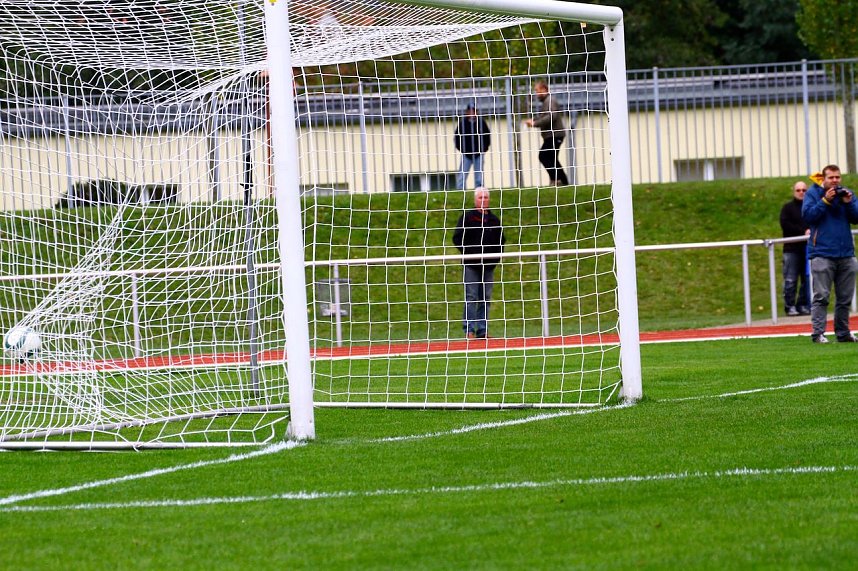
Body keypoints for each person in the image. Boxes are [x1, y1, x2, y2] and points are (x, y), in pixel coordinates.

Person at [801, 164, 858, 343]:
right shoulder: (813, 193)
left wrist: (848, 204)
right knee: (821, 296)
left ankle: (843, 333)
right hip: (822, 253)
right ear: (823, 179)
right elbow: (808, 216)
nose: (835, 181)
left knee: (845, 298)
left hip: (846, 253)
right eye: (831, 178)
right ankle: (818, 333)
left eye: (837, 177)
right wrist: (825, 201)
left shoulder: (846, 194)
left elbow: (856, 218)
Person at [452, 187, 506, 339]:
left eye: (486, 198)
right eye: (480, 198)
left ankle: (482, 329)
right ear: (475, 200)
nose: (483, 200)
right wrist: (469, 253)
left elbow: (501, 241)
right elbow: (457, 238)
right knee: (471, 297)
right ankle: (469, 329)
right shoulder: (468, 217)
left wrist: (495, 258)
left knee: (485, 298)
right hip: (471, 265)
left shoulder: (494, 220)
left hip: (488, 265)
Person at [524, 80, 569, 186]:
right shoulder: (547, 101)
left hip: (554, 135)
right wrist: (534, 120)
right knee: (552, 159)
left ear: (544, 89)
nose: (536, 94)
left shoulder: (550, 101)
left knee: (543, 156)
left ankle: (557, 180)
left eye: (537, 90)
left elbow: (551, 116)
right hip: (551, 135)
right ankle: (563, 182)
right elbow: (545, 116)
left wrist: (535, 123)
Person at [779, 181, 811, 316]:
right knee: (790, 279)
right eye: (799, 190)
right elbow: (785, 225)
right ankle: (789, 306)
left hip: (808, 248)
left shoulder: (810, 207)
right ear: (794, 191)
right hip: (792, 249)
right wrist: (803, 232)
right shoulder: (787, 208)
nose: (801, 192)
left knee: (807, 279)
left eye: (804, 190)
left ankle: (802, 304)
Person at [454, 104, 491, 190]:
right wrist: (462, 149)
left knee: (479, 176)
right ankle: (460, 191)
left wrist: (484, 149)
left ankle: (479, 191)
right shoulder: (462, 123)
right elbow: (457, 137)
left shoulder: (481, 122)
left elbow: (487, 136)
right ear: (467, 112)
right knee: (462, 175)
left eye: (473, 111)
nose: (472, 113)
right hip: (466, 154)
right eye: (470, 111)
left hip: (479, 153)